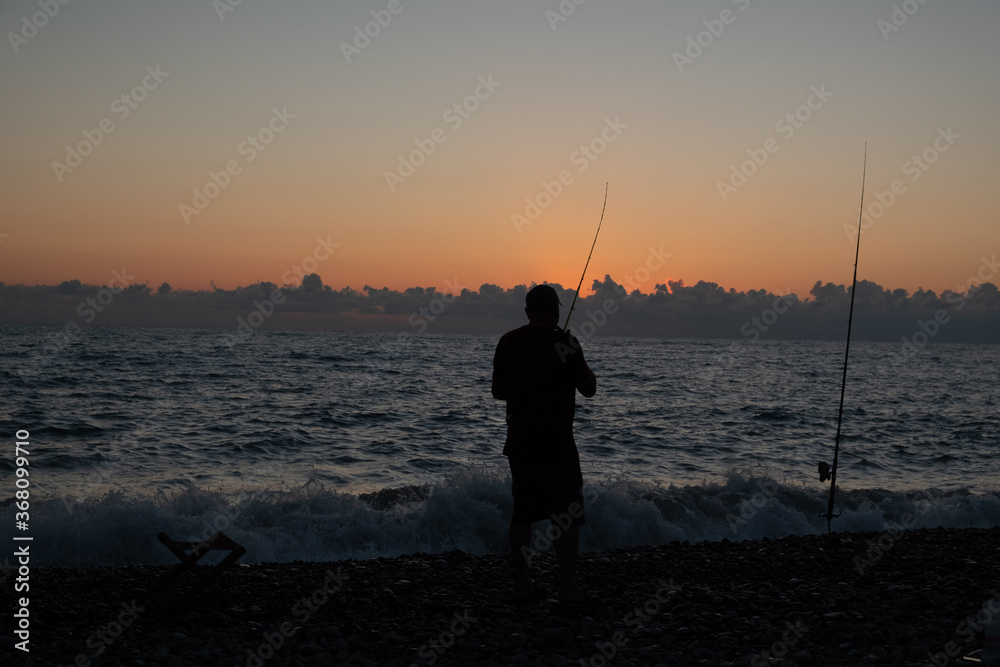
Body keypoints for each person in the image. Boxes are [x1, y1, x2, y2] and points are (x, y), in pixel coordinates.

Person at [491, 284, 597, 603]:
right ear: (556, 311)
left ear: (528, 311)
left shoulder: (509, 342)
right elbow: (589, 389)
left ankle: (523, 584)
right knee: (564, 515)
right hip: (558, 445)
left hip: (521, 443)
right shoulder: (565, 343)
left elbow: (498, 391)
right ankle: (567, 586)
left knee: (522, 514)